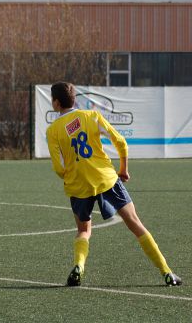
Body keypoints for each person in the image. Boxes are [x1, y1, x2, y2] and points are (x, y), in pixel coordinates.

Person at [46, 81, 182, 287]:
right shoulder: (92, 116)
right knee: (135, 223)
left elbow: (59, 167)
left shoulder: (53, 130)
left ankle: (79, 266)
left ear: (56, 103)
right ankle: (166, 272)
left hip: (78, 186)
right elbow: (120, 142)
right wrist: (123, 169)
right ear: (74, 100)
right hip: (106, 179)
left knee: (83, 231)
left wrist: (72, 176)